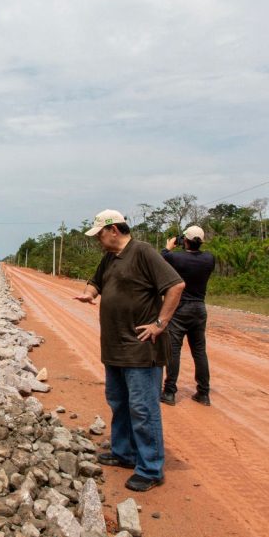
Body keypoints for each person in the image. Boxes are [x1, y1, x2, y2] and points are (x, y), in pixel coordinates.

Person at [74, 209, 184, 492]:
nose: (98, 239)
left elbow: (176, 285)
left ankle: (150, 468)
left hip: (140, 349)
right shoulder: (110, 257)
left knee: (143, 408)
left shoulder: (143, 252)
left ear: (113, 229)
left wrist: (160, 324)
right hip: (114, 347)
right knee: (119, 402)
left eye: (99, 233)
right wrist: (89, 294)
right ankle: (124, 453)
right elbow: (96, 282)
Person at [160, 226, 215, 406]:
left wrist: (169, 246)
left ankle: (169, 392)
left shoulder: (176, 257)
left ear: (185, 241)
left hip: (180, 307)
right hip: (199, 308)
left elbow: (161, 258)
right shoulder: (209, 259)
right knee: (199, 351)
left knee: (174, 350)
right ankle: (203, 393)